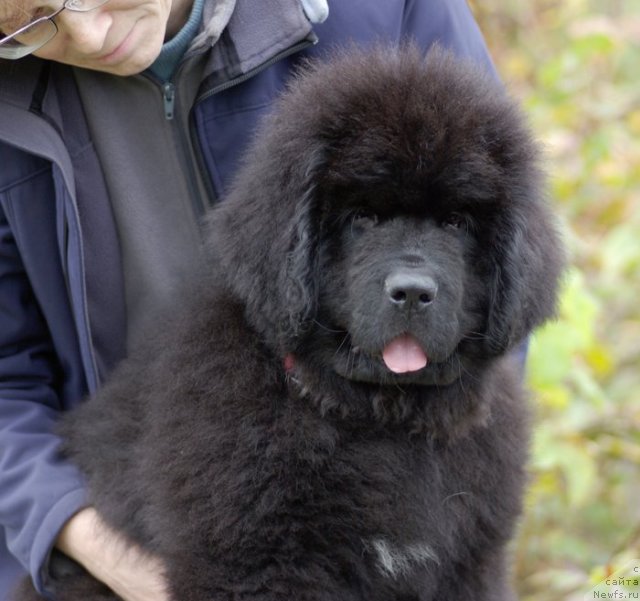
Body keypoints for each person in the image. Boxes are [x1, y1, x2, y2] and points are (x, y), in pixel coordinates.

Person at [0, 0, 499, 599]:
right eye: (30, 22)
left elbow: (496, 238)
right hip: (125, 529)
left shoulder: (388, 13)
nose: (87, 32)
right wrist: (84, 539)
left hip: (422, 422)